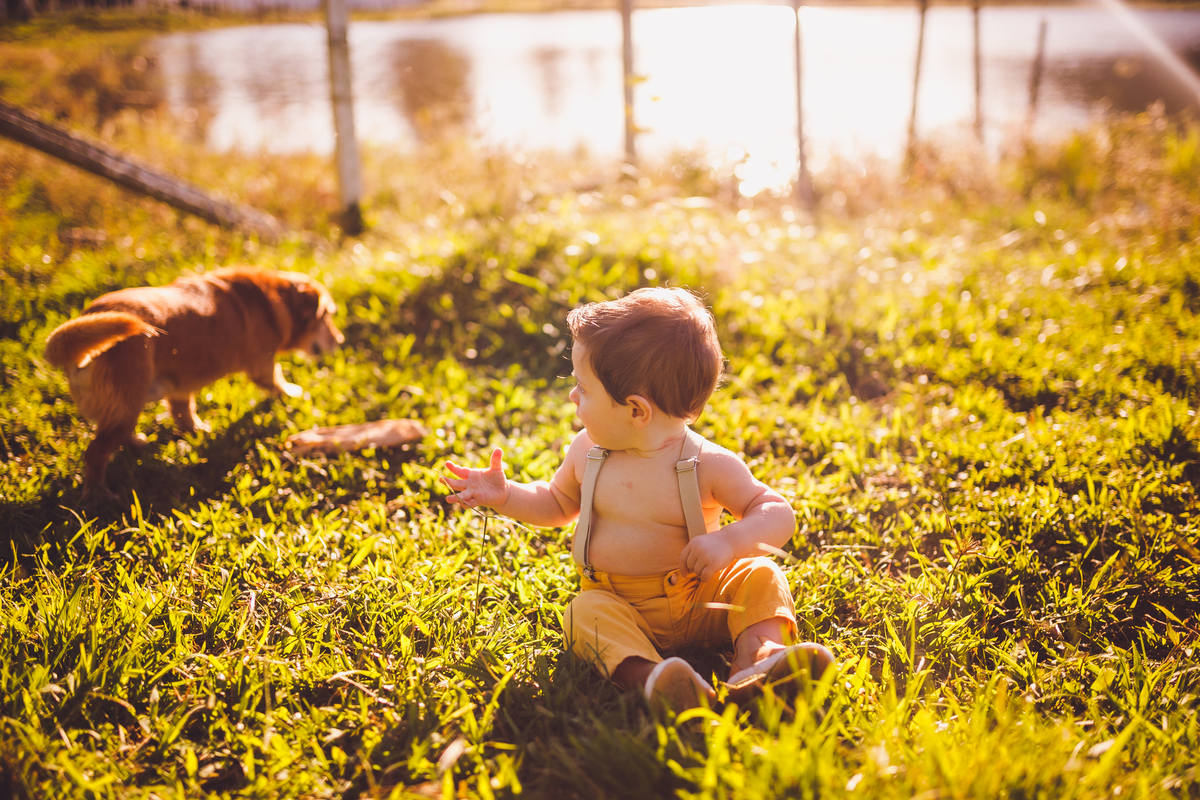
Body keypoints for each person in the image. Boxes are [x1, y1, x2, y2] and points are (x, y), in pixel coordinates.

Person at [443, 287, 833, 712]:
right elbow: (556, 503)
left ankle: (759, 659)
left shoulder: (708, 464)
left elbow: (776, 511)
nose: (573, 396)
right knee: (584, 613)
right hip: (619, 603)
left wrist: (728, 543)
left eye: (583, 387)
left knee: (759, 574)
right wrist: (506, 495)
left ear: (636, 411)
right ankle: (655, 679)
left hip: (703, 596)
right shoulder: (585, 452)